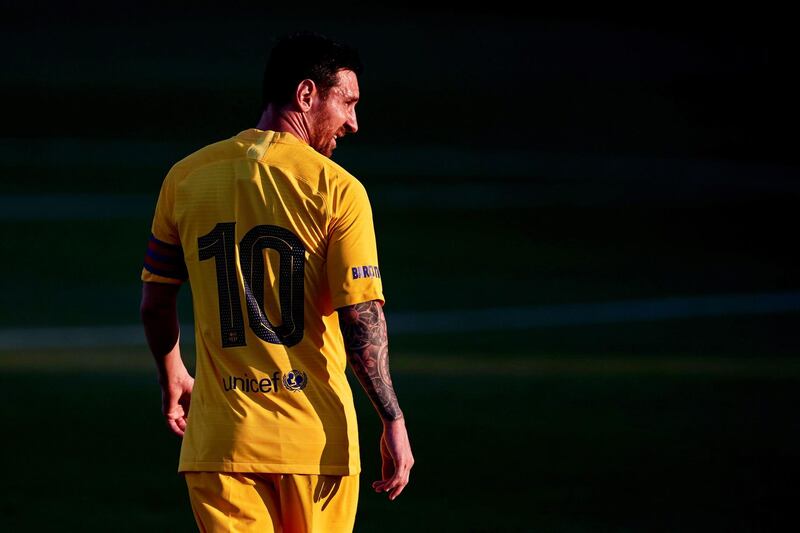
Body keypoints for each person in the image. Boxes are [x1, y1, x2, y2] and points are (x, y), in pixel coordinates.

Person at [139, 32, 413, 532]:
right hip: (316, 445)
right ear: (307, 95)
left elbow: (156, 302)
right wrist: (392, 418)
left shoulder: (185, 177)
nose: (354, 122)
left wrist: (172, 372)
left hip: (221, 445)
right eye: (347, 103)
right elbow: (360, 318)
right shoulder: (339, 190)